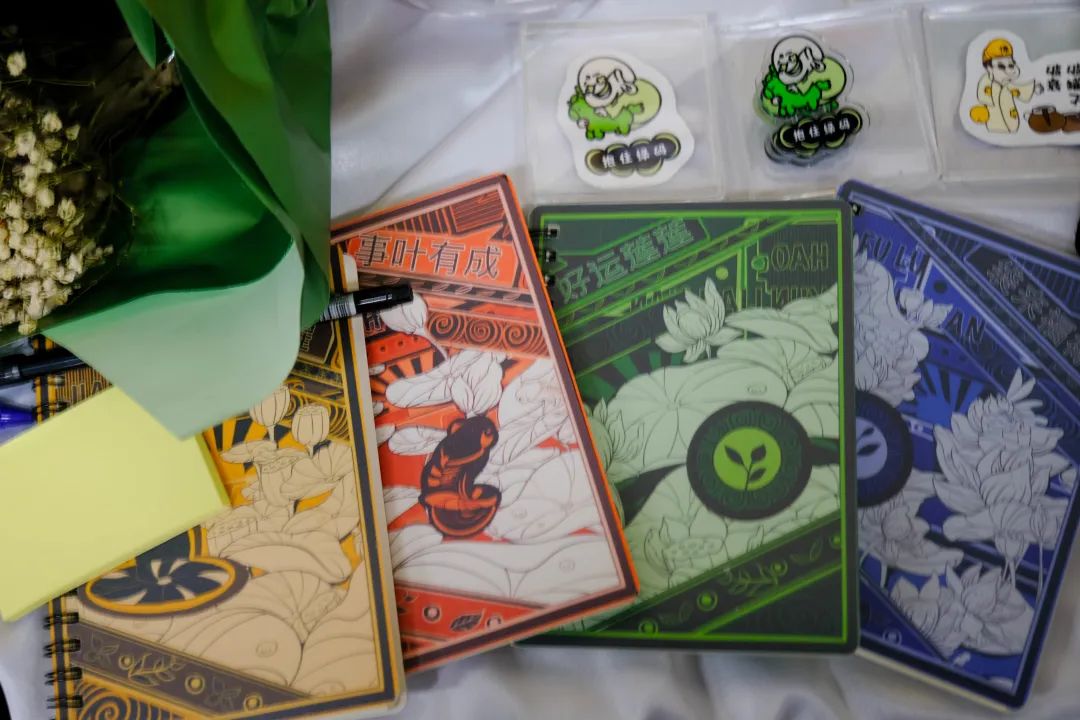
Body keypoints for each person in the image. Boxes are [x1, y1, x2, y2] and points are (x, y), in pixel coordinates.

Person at [969, 38, 1042, 134]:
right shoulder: (986, 82)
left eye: (1010, 65)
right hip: (994, 126)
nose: (1007, 70)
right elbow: (983, 96)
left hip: (1012, 122)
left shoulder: (1008, 85)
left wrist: (1033, 88)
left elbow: (1019, 89)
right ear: (989, 68)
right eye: (1001, 66)